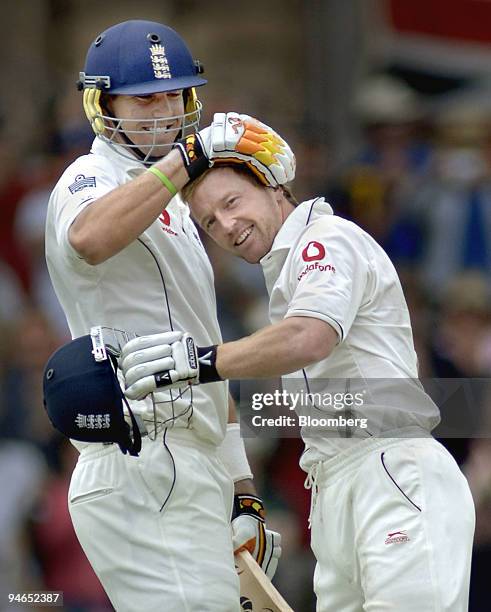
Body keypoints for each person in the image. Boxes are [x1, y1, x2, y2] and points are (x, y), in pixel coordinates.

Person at [121, 112, 476, 611]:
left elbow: (310, 337)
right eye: (209, 221)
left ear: (271, 183)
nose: (226, 225)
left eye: (231, 202)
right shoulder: (286, 268)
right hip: (335, 487)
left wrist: (197, 362)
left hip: (391, 469)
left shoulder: (324, 239)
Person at [45, 22, 280, 612]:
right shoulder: (89, 176)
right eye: (144, 97)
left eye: (174, 95)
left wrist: (241, 488)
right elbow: (91, 237)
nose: (164, 111)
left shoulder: (174, 205)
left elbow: (207, 352)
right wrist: (189, 157)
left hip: (190, 462)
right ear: (104, 105)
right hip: (138, 453)